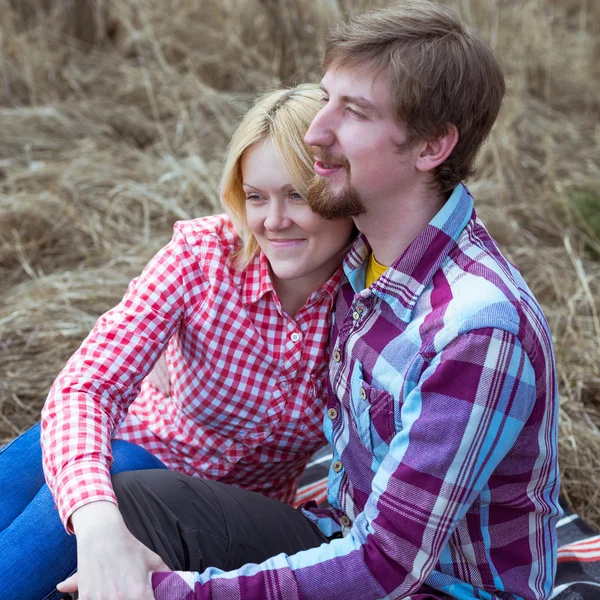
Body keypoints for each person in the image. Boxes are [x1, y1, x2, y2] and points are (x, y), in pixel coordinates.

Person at [112, 2, 562, 600]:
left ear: (432, 145)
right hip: (338, 533)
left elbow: (385, 568)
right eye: (326, 98)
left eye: (353, 112)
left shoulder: (475, 330)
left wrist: (175, 592)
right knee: (139, 500)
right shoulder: (361, 261)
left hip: (438, 587)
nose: (317, 131)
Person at [0, 83, 355, 600]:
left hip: (214, 516)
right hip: (125, 451)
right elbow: (87, 386)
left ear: (339, 189)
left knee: (125, 472)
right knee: (51, 462)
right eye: (256, 196)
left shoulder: (372, 296)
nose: (273, 221)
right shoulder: (202, 256)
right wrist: (96, 522)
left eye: (297, 195)